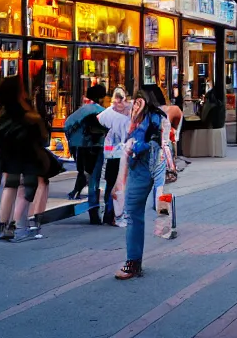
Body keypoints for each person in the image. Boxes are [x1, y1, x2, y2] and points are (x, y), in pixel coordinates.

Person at [0, 75, 55, 241]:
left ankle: (5, 225)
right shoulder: (25, 111)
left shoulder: (2, 111)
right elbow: (40, 134)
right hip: (27, 154)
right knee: (28, 187)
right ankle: (18, 224)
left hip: (7, 154)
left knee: (10, 186)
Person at [113, 86, 167, 278]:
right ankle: (133, 262)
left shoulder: (153, 117)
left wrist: (135, 146)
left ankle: (134, 262)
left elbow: (156, 142)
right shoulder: (138, 117)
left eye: (137, 98)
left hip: (149, 166)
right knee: (134, 212)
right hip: (142, 168)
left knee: (143, 210)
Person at [64, 84, 109, 218]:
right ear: (102, 97)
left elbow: (67, 126)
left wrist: (73, 142)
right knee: (94, 178)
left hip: (79, 148)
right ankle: (93, 209)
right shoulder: (102, 111)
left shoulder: (79, 112)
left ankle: (86, 201)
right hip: (96, 147)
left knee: (84, 172)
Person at [98, 88, 131, 225]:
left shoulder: (107, 114)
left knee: (110, 184)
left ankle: (108, 214)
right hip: (120, 155)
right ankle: (115, 215)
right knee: (118, 186)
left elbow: (99, 121)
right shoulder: (125, 116)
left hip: (110, 154)